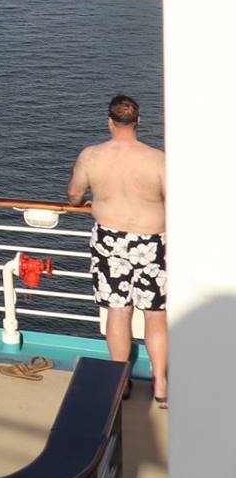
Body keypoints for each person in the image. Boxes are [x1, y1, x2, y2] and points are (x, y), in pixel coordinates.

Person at [67, 93, 167, 406]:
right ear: (138, 121)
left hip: (110, 240)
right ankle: (161, 385)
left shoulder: (91, 156)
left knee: (118, 310)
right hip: (152, 241)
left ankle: (119, 381)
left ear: (109, 122)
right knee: (155, 315)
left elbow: (73, 195)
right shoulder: (157, 159)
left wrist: (88, 200)